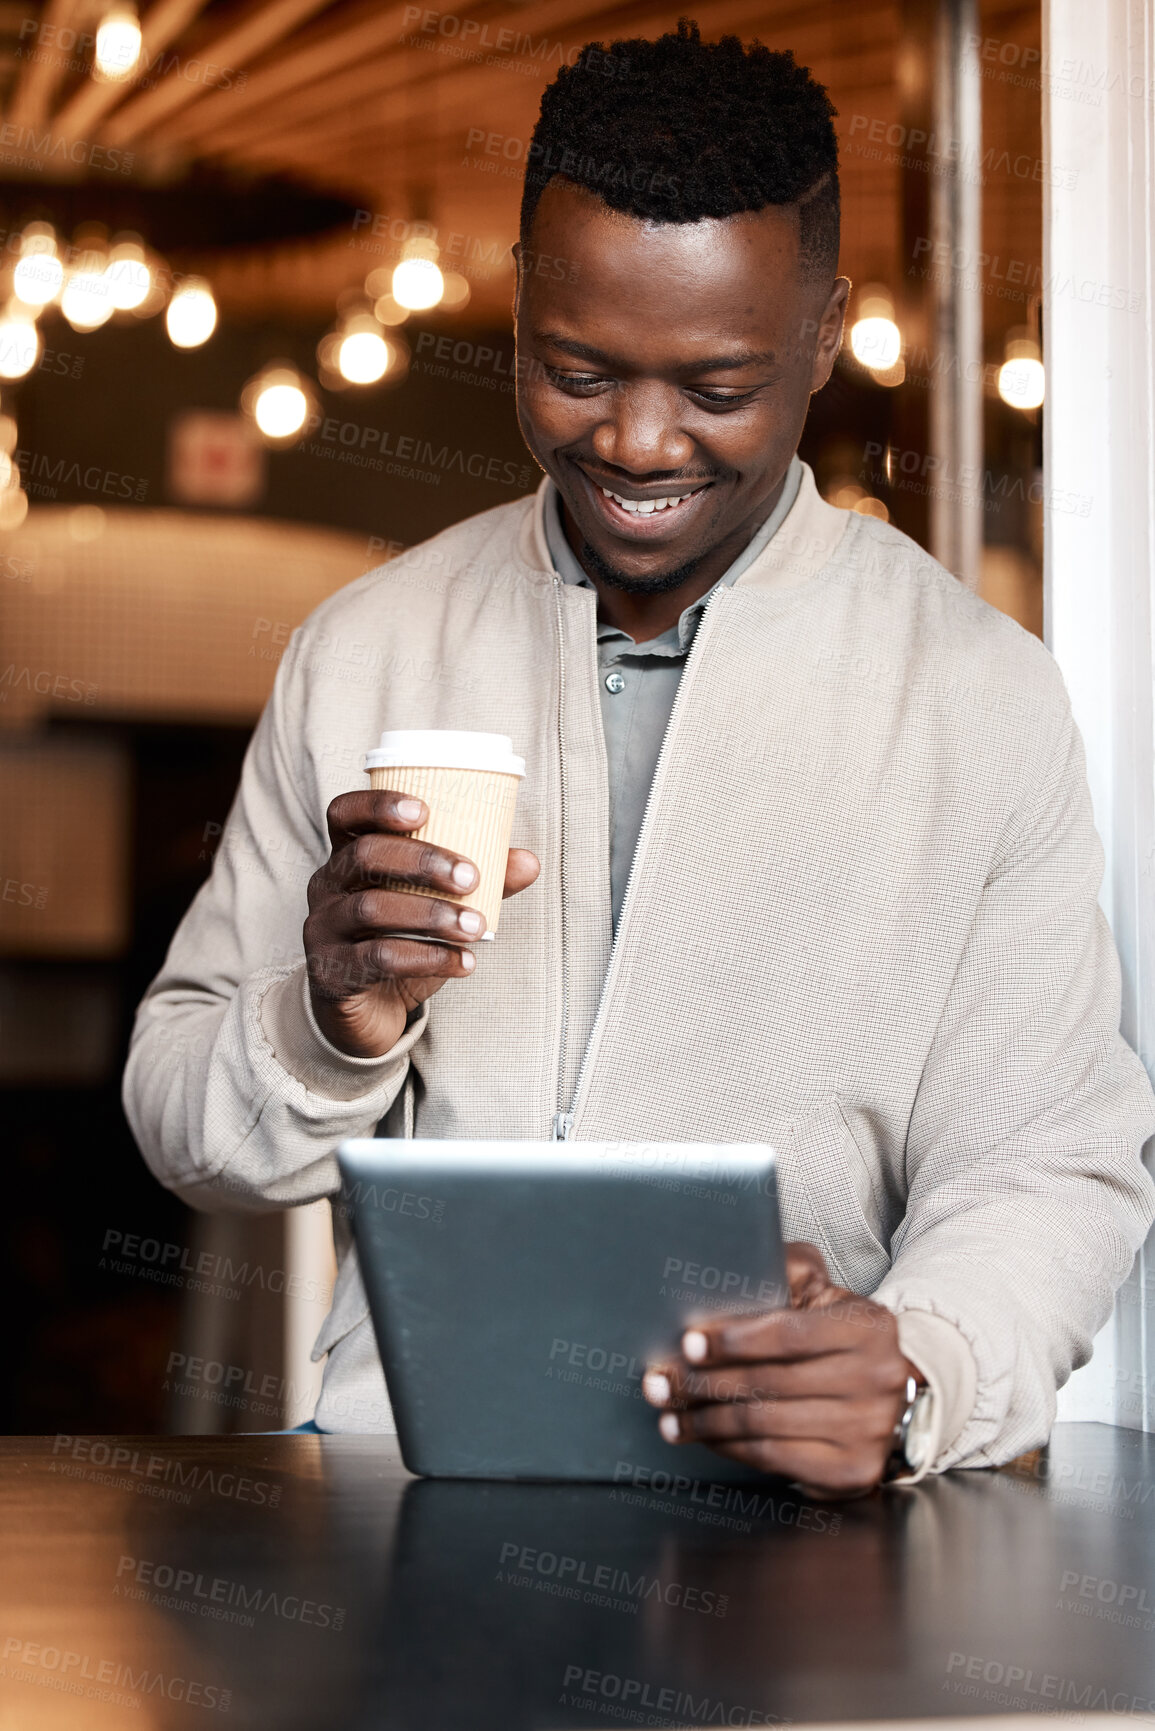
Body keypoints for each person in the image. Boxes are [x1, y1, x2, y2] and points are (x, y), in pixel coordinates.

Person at [124, 21, 1155, 1492]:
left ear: (825, 331)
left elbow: (1049, 1160)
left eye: (718, 387)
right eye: (576, 370)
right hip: (398, 1489)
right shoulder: (370, 645)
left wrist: (924, 1372)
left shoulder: (978, 694)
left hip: (795, 1530)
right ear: (527, 306)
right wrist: (332, 1021)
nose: (641, 441)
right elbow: (187, 1124)